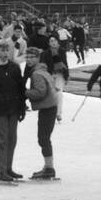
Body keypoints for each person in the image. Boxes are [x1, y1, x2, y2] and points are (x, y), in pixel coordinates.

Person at [0, 39, 26, 184]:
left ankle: (8, 168)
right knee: (2, 140)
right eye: (2, 50)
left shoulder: (14, 67)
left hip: (14, 108)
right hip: (0, 109)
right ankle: (1, 171)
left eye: (7, 50)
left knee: (12, 139)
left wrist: (22, 107)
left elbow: (21, 88)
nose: (6, 53)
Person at [24, 47, 60, 180]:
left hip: (47, 108)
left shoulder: (36, 74)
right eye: (27, 57)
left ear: (38, 58)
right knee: (44, 137)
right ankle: (48, 166)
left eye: (31, 57)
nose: (28, 60)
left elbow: (40, 92)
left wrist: (25, 92)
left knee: (43, 138)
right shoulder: (43, 71)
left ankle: (49, 168)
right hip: (50, 106)